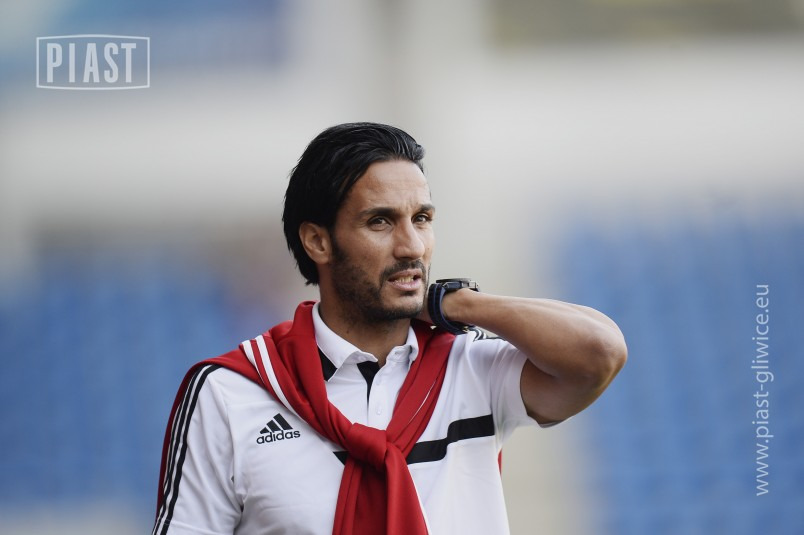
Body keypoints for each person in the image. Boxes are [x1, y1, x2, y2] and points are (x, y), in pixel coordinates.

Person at [152, 122, 627, 535]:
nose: (412, 246)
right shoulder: (229, 393)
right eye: (380, 222)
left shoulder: (471, 363)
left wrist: (456, 302)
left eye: (422, 219)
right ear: (318, 241)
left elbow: (600, 352)